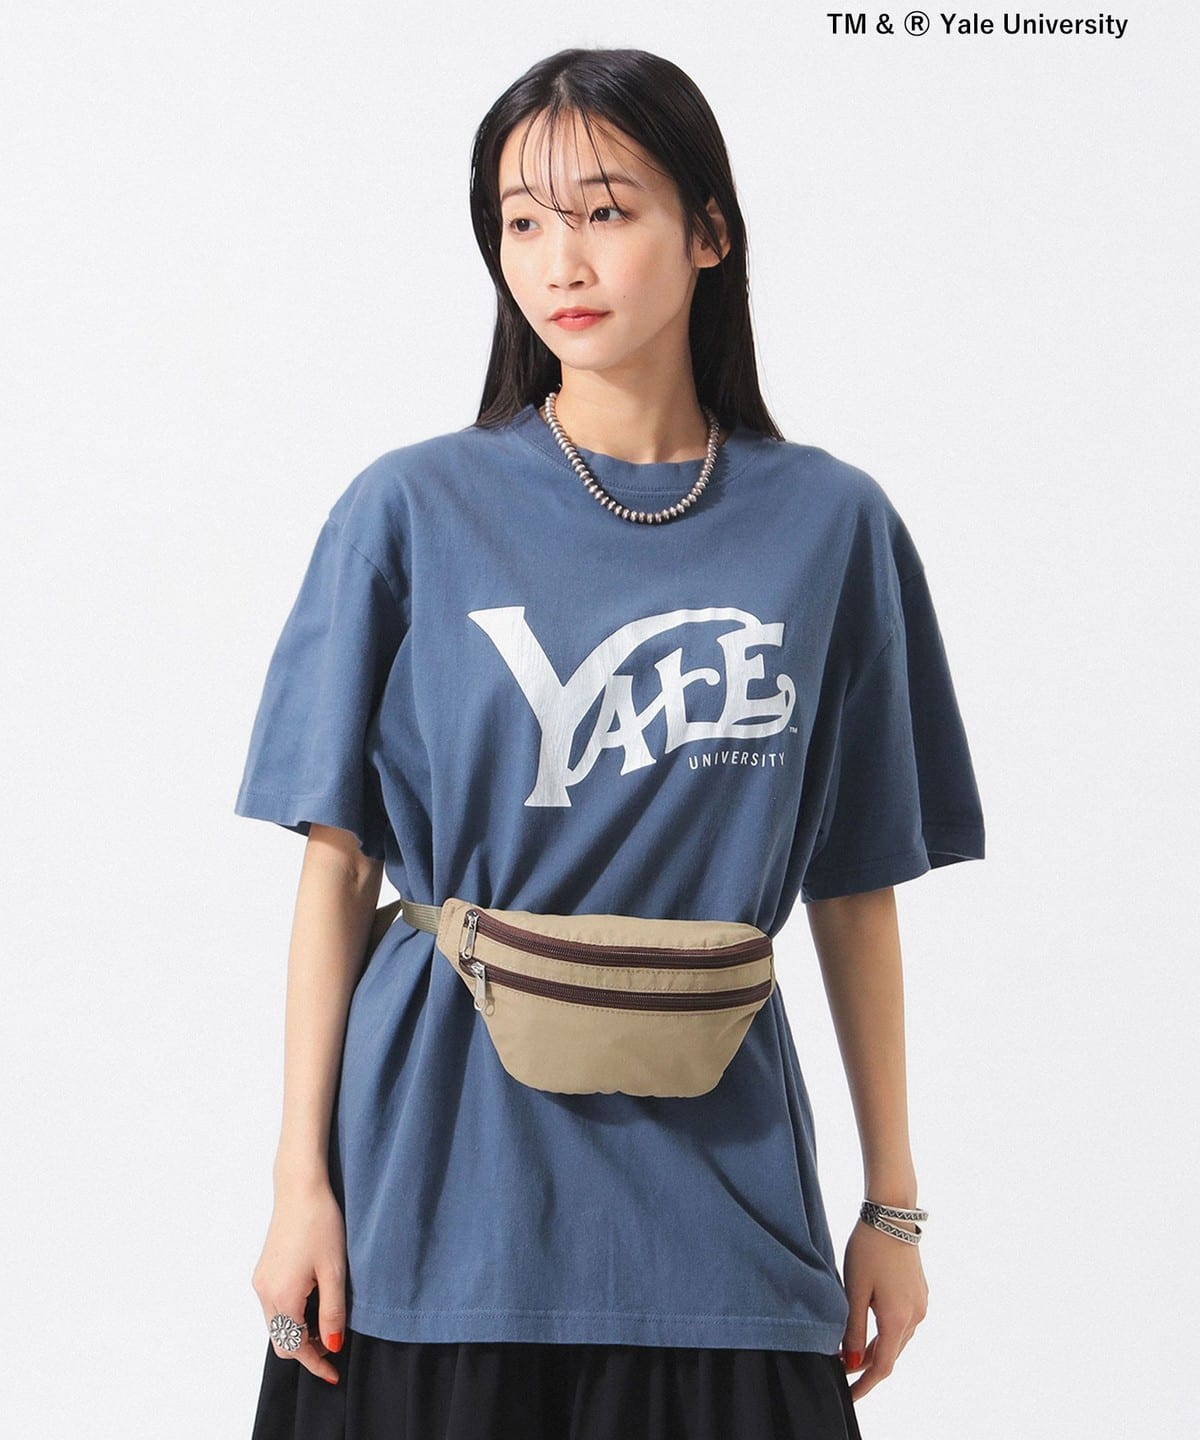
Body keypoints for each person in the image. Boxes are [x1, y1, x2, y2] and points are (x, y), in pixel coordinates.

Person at [234, 45, 985, 1440]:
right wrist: (298, 1188)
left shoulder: (832, 525)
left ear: (710, 233)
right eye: (521, 222)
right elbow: (336, 867)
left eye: (605, 210)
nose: (559, 260)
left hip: (722, 1210)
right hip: (436, 1199)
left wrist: (891, 1204)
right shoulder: (410, 510)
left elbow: (855, 885)